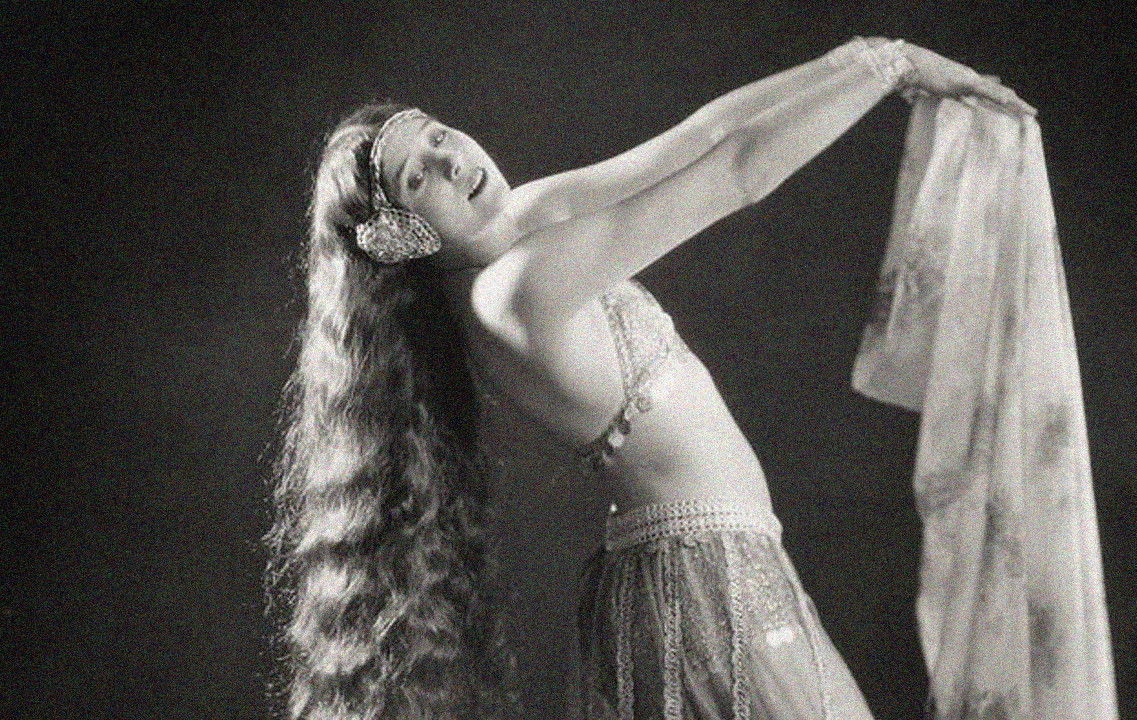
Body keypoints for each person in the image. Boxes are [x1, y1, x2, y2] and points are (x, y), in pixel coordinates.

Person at [269, 36, 1034, 720]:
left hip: (711, 568)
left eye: (438, 135)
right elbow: (736, 170)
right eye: (418, 178)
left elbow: (701, 136)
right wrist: (890, 68)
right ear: (402, 236)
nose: (450, 160)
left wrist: (857, 57)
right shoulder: (513, 289)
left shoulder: (513, 226)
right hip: (707, 582)